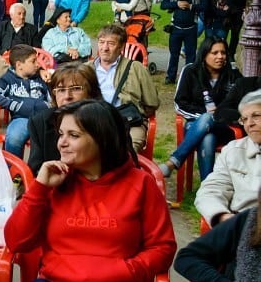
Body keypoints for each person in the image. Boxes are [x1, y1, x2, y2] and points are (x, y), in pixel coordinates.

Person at [0, 100, 177, 282]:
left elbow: (162, 248)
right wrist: (40, 189)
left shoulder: (140, 184)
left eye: (73, 135)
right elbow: (16, 242)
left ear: (101, 137)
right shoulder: (57, 181)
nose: (61, 143)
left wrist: (124, 271)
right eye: (60, 134)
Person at [160, 36, 241, 181]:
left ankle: (174, 161)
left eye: (223, 53)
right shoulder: (190, 71)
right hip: (196, 127)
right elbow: (180, 104)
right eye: (215, 53)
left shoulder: (233, 75)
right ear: (204, 54)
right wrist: (205, 117)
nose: (220, 57)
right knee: (207, 135)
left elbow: (241, 105)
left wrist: (219, 115)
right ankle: (208, 187)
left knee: (209, 118)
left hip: (225, 128)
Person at [194, 90, 261, 227]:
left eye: (256, 116)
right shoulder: (233, 151)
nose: (249, 124)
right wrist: (221, 216)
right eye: (244, 119)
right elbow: (210, 189)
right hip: (240, 226)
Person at [93, 24, 160, 153]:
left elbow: (152, 102)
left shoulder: (136, 68)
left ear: (121, 47)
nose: (104, 48)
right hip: (94, 121)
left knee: (127, 152)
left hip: (127, 123)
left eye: (111, 43)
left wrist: (136, 113)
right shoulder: (87, 69)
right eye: (101, 42)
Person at [27, 63, 103, 174]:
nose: (67, 96)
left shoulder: (109, 120)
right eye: (61, 90)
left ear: (91, 93)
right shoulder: (40, 122)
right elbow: (35, 167)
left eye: (76, 88)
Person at [0, 45, 50, 157]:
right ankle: (15, 171)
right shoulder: (7, 79)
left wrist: (48, 105)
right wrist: (15, 105)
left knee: (52, 138)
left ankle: (41, 170)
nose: (38, 64)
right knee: (14, 138)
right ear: (19, 65)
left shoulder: (41, 78)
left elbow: (52, 97)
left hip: (44, 117)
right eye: (33, 61)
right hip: (21, 118)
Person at [162, 0, 201, 85]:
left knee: (191, 55)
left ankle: (188, 78)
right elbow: (163, 5)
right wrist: (176, 4)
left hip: (190, 28)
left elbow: (202, 7)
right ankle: (171, 76)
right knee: (174, 54)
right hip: (176, 28)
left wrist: (190, 6)